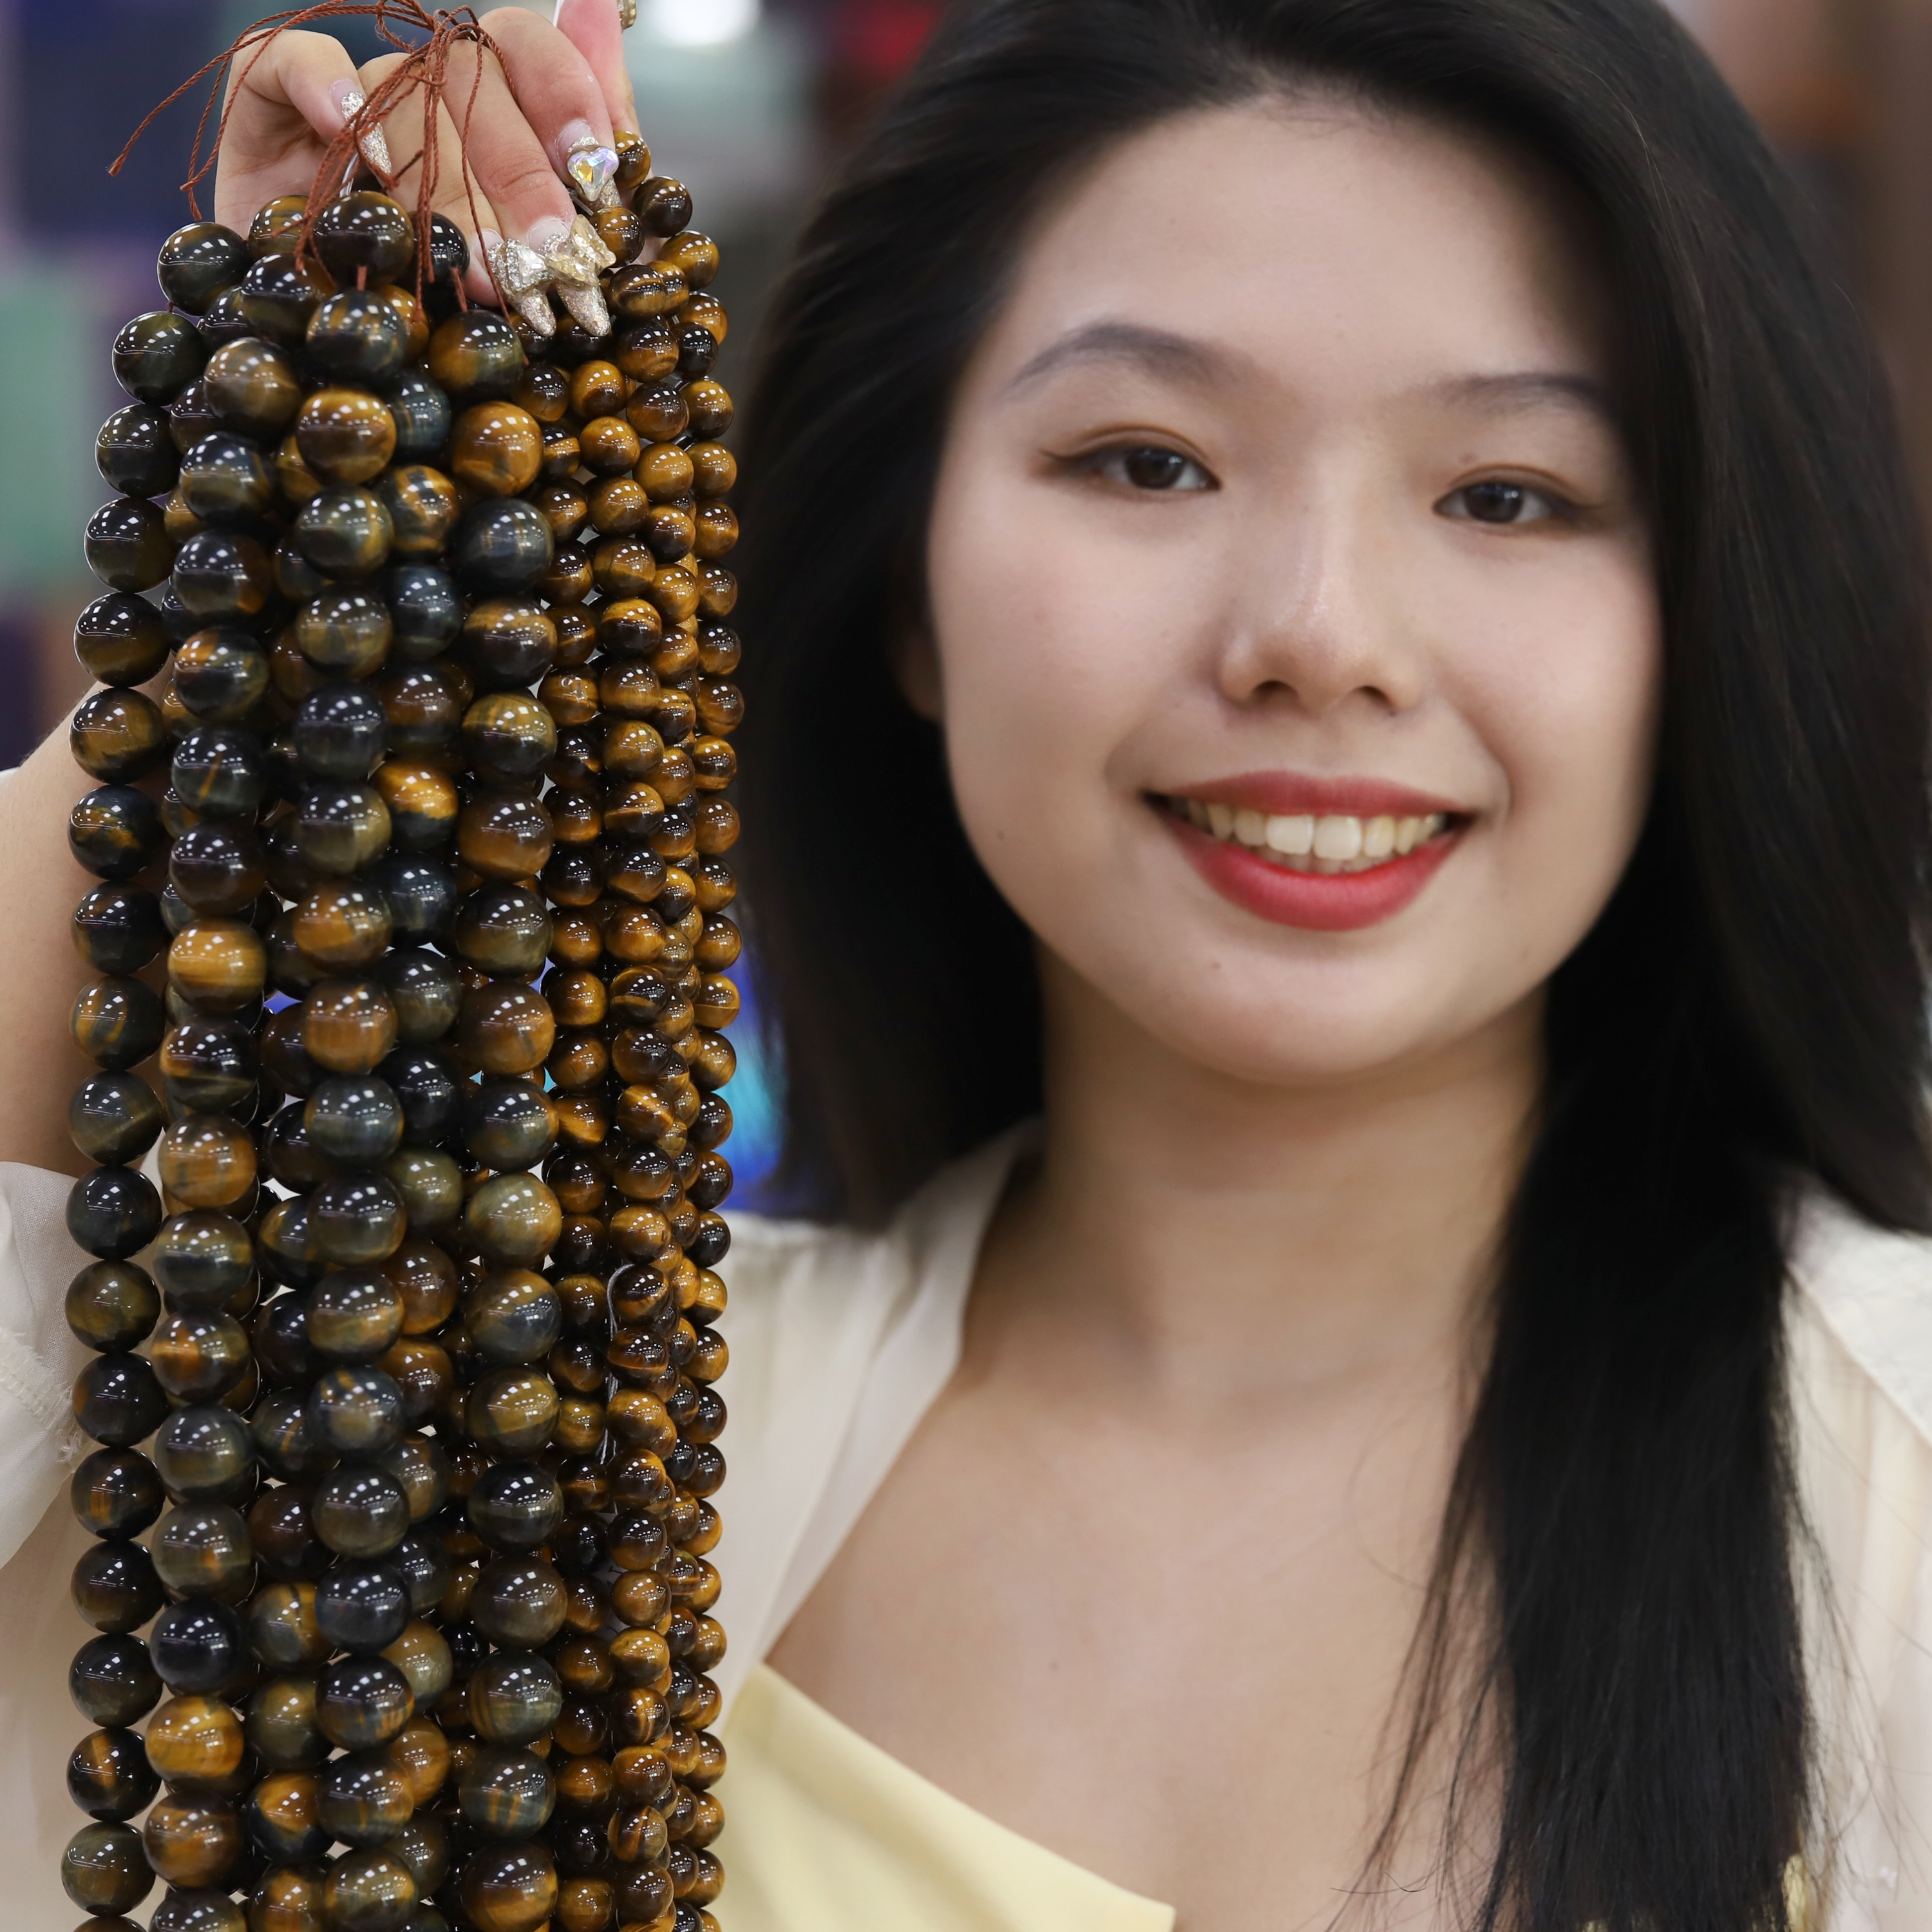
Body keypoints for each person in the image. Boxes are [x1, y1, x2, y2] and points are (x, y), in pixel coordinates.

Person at [1, 0, 1927, 1926]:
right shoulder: (515, 1455)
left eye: (1507, 494)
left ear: (1703, 610)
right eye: (1149, 462)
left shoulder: (1891, 1472)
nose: (1322, 637)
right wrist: (282, 518)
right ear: (906, 583)